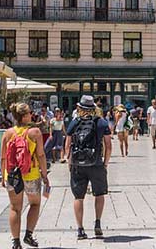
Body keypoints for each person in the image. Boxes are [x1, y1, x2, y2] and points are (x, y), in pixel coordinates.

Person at [0, 103, 48, 249]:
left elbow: (2, 158)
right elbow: (40, 154)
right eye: (29, 113)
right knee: (35, 204)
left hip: (12, 174)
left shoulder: (7, 133)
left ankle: (16, 242)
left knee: (15, 207)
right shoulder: (35, 132)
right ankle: (28, 234)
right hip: (31, 173)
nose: (31, 115)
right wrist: (44, 174)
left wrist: (3, 177)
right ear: (25, 116)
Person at [63, 96, 112, 240]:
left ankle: (80, 229)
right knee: (99, 194)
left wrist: (70, 163)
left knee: (78, 197)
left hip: (78, 164)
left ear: (80, 108)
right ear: (93, 108)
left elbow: (67, 146)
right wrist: (105, 164)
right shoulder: (101, 122)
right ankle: (97, 223)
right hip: (96, 163)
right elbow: (108, 146)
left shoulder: (74, 123)